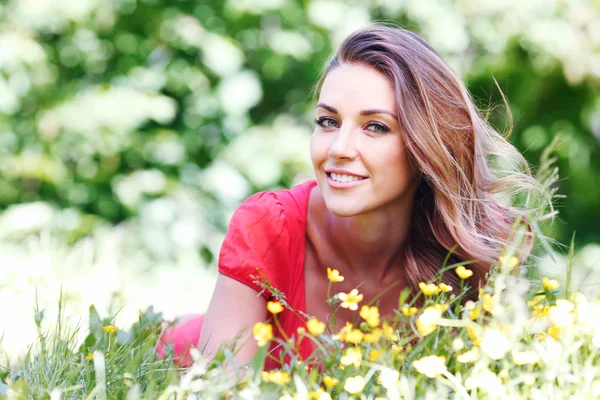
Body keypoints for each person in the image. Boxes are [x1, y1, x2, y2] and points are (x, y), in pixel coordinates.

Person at [156, 24, 537, 370]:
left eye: (375, 127)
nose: (339, 147)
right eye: (328, 121)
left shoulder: (480, 247)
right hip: (177, 353)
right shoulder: (268, 226)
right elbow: (221, 389)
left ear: (426, 146)